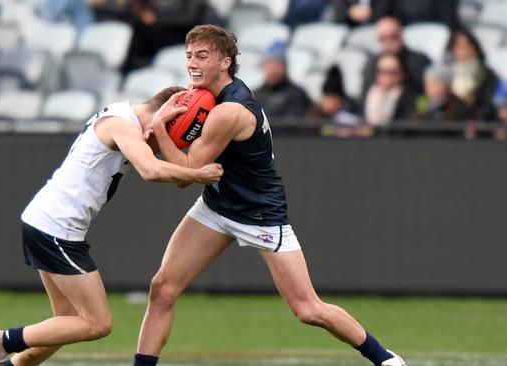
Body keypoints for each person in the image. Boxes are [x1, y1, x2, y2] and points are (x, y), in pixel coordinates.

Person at [134, 24, 407, 366]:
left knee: (308, 309)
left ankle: (386, 359)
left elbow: (186, 174)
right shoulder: (205, 94)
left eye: (202, 55)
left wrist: (159, 128)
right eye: (189, 55)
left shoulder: (230, 110)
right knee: (162, 288)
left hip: (258, 213)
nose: (192, 62)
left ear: (225, 62)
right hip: (218, 204)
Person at [0, 86, 223, 366]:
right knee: (98, 323)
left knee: (65, 325)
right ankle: (1, 341)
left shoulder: (121, 116)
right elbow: (151, 170)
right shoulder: (122, 124)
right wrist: (197, 173)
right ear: (163, 114)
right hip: (55, 228)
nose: (161, 147)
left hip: (46, 221)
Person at [362, 16, 430, 94]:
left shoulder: (418, 61)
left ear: (401, 35)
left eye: (393, 37)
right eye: (383, 38)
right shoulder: (372, 63)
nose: (388, 42)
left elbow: (425, 93)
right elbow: (364, 95)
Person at [445, 27, 499, 122]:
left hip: (481, 125)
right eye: (458, 47)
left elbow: (491, 106)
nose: (463, 51)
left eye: (467, 46)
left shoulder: (486, 74)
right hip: (452, 126)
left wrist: (471, 103)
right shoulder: (446, 74)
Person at [254, 41, 312, 118]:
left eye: (277, 65)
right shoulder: (255, 95)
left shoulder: (297, 94)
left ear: (285, 67)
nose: (273, 70)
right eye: (270, 65)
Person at [363, 52, 417, 128]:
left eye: (393, 72)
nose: (388, 77)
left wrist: (374, 132)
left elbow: (404, 127)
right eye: (382, 71)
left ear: (402, 74)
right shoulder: (368, 94)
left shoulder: (408, 98)